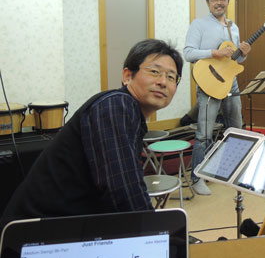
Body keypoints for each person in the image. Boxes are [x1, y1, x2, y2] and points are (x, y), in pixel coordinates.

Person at [1, 39, 183, 228]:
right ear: (127, 76)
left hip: (66, 227)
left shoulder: (127, 111)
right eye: (155, 72)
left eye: (171, 77)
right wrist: (156, 234)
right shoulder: (116, 104)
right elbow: (123, 191)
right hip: (33, 235)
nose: (163, 82)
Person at [183, 0, 251, 195]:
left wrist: (244, 53)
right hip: (208, 84)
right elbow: (188, 53)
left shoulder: (233, 26)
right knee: (204, 134)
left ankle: (233, 170)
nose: (219, 3)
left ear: (227, 1)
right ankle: (197, 177)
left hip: (231, 82)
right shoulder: (199, 24)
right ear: (208, 2)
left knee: (236, 129)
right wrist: (214, 53)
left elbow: (235, 59)